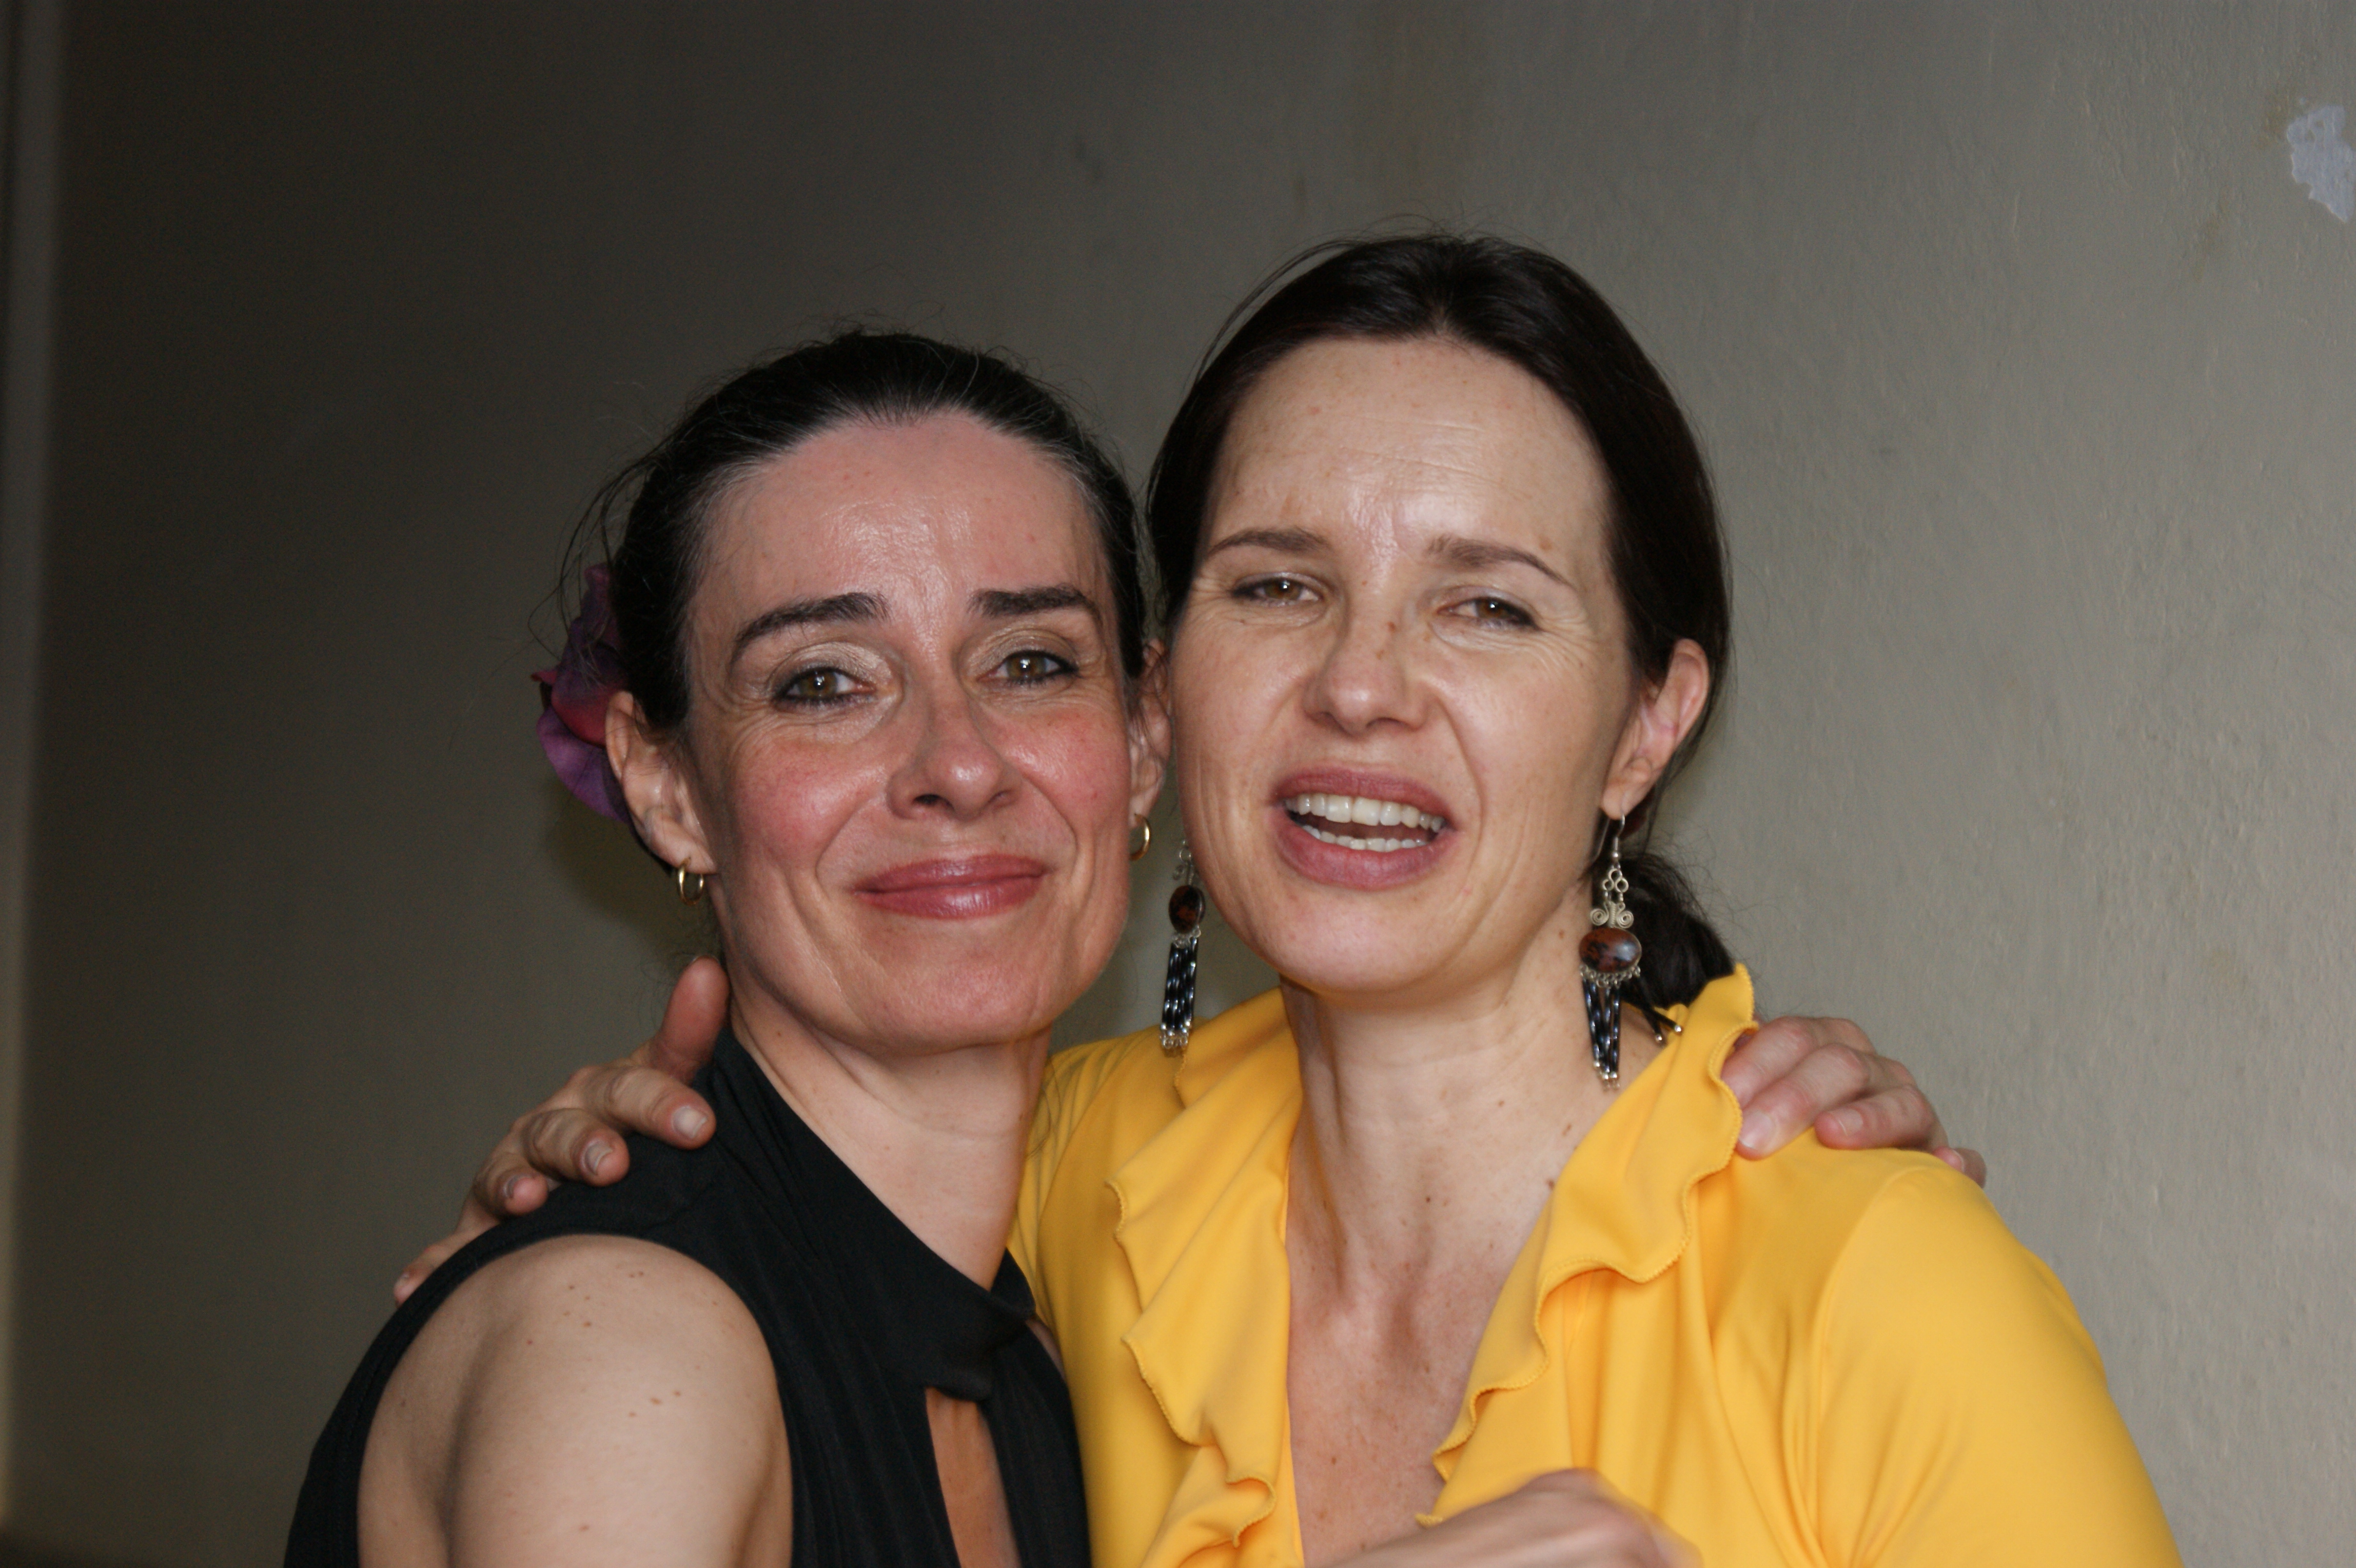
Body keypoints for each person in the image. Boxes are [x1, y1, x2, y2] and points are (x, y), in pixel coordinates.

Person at [410, 238, 2176, 1565]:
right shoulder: (1058, 1173)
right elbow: (747, 1243)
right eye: (1276, 585)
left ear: (1648, 722)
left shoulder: (1873, 1282)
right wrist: (600, 1189)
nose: (1361, 686)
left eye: (1486, 606)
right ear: (1164, 697)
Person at [288, 331, 1166, 1568]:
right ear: (666, 787)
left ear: (1141, 738)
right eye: (823, 683)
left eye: (1031, 663)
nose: (959, 764)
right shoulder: (628, 1352)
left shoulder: (1046, 1361)